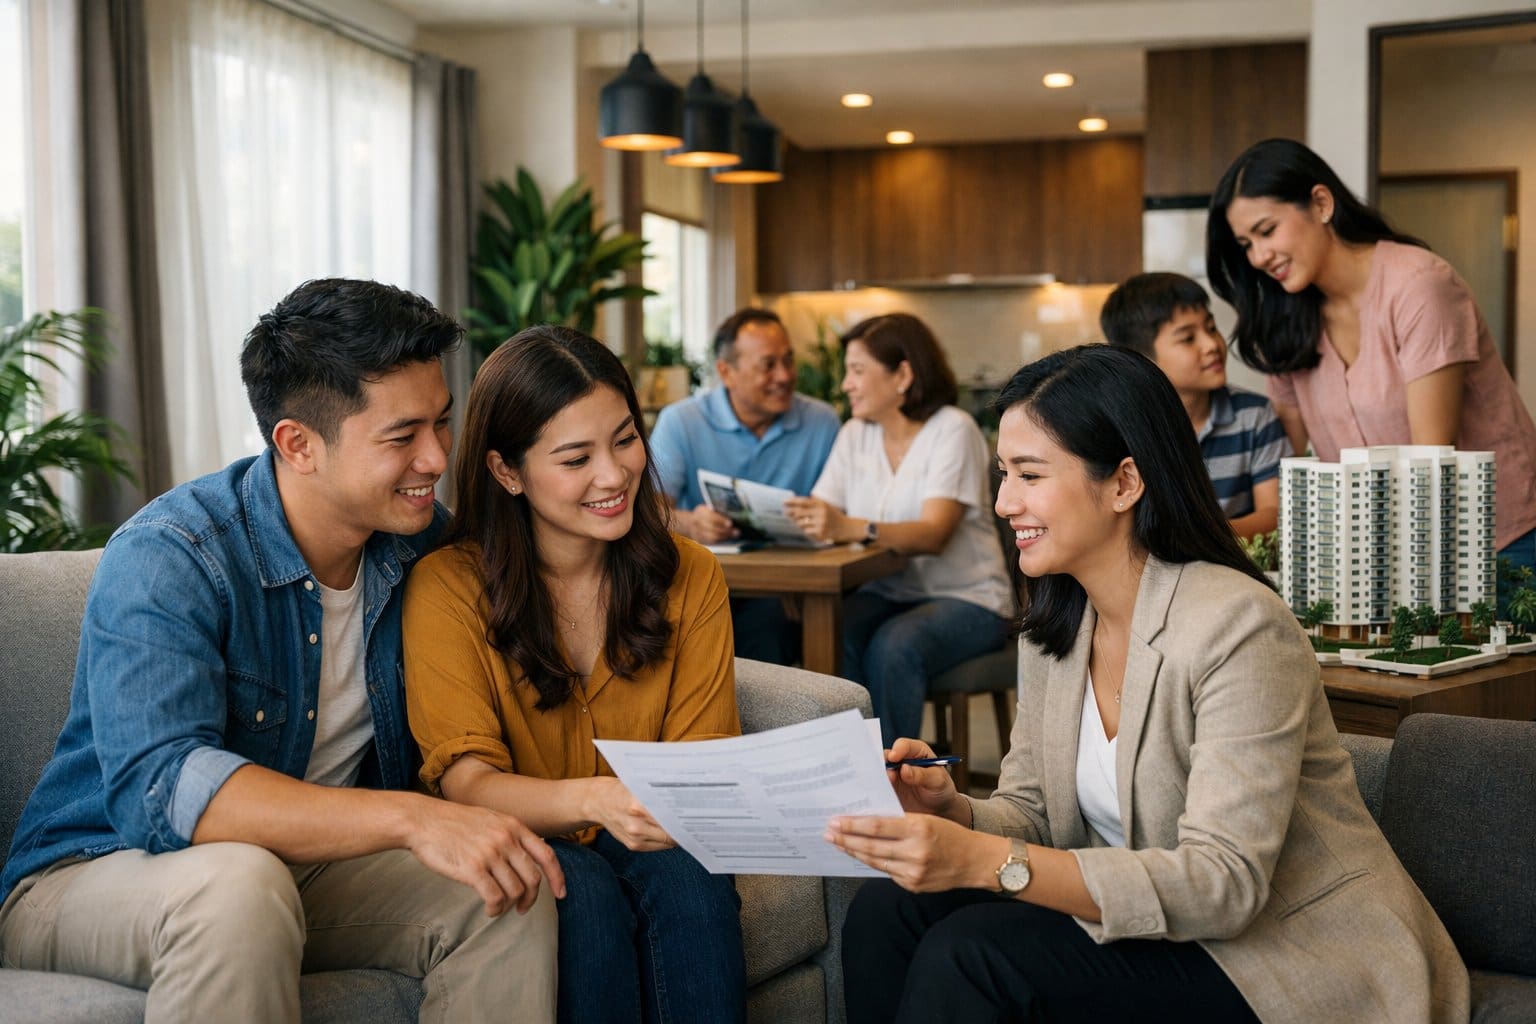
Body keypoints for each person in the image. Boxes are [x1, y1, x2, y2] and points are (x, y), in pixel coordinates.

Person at [829, 344, 1469, 1024]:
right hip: (1164, 922)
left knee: (975, 952)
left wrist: (985, 860)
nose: (1002, 501)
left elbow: (1225, 884)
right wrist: (955, 813)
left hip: (1283, 950)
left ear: (1125, 483)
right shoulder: (1058, 625)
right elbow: (1037, 815)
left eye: (1029, 474)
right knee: (888, 907)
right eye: (1002, 473)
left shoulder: (1237, 626)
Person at [0, 279, 561, 1021]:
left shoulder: (423, 545)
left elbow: (539, 609)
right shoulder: (174, 554)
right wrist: (412, 819)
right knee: (239, 885)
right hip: (101, 871)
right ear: (297, 443)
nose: (434, 457)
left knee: (504, 886)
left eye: (442, 423)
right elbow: (163, 788)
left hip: (299, 868)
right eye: (402, 436)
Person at [402, 324, 745, 1024]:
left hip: (653, 838)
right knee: (573, 884)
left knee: (688, 873)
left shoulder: (691, 575)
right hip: (525, 833)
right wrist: (594, 801)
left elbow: (699, 765)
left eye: (624, 440)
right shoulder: (448, 586)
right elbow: (467, 783)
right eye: (575, 457)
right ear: (506, 471)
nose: (614, 475)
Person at [1207, 137, 1536, 569]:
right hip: (1387, 557)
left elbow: (1430, 462)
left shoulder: (1417, 284)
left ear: (1321, 204)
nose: (1259, 256)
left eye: (1267, 231)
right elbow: (1287, 459)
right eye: (1246, 244)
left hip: (1500, 543)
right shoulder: (1286, 323)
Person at [783, 313, 1012, 746]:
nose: (845, 385)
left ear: (903, 374)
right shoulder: (855, 433)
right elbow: (823, 510)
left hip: (969, 599)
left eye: (857, 371)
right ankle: (847, 769)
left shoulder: (952, 429)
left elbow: (933, 533)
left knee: (894, 646)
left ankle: (895, 783)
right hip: (890, 593)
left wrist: (848, 526)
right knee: (835, 633)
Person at [650, 307, 841, 664]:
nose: (784, 376)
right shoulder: (681, 422)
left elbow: (838, 513)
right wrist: (691, 523)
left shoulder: (822, 422)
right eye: (768, 365)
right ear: (727, 372)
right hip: (704, 582)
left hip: (791, 589)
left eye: (788, 360)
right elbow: (650, 511)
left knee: (771, 628)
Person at [1101, 271, 1290, 538]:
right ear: (1141, 358)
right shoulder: (1119, 429)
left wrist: (1201, 538)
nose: (1211, 344)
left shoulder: (1254, 415)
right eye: (1188, 338)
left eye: (1211, 328)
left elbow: (1276, 513)